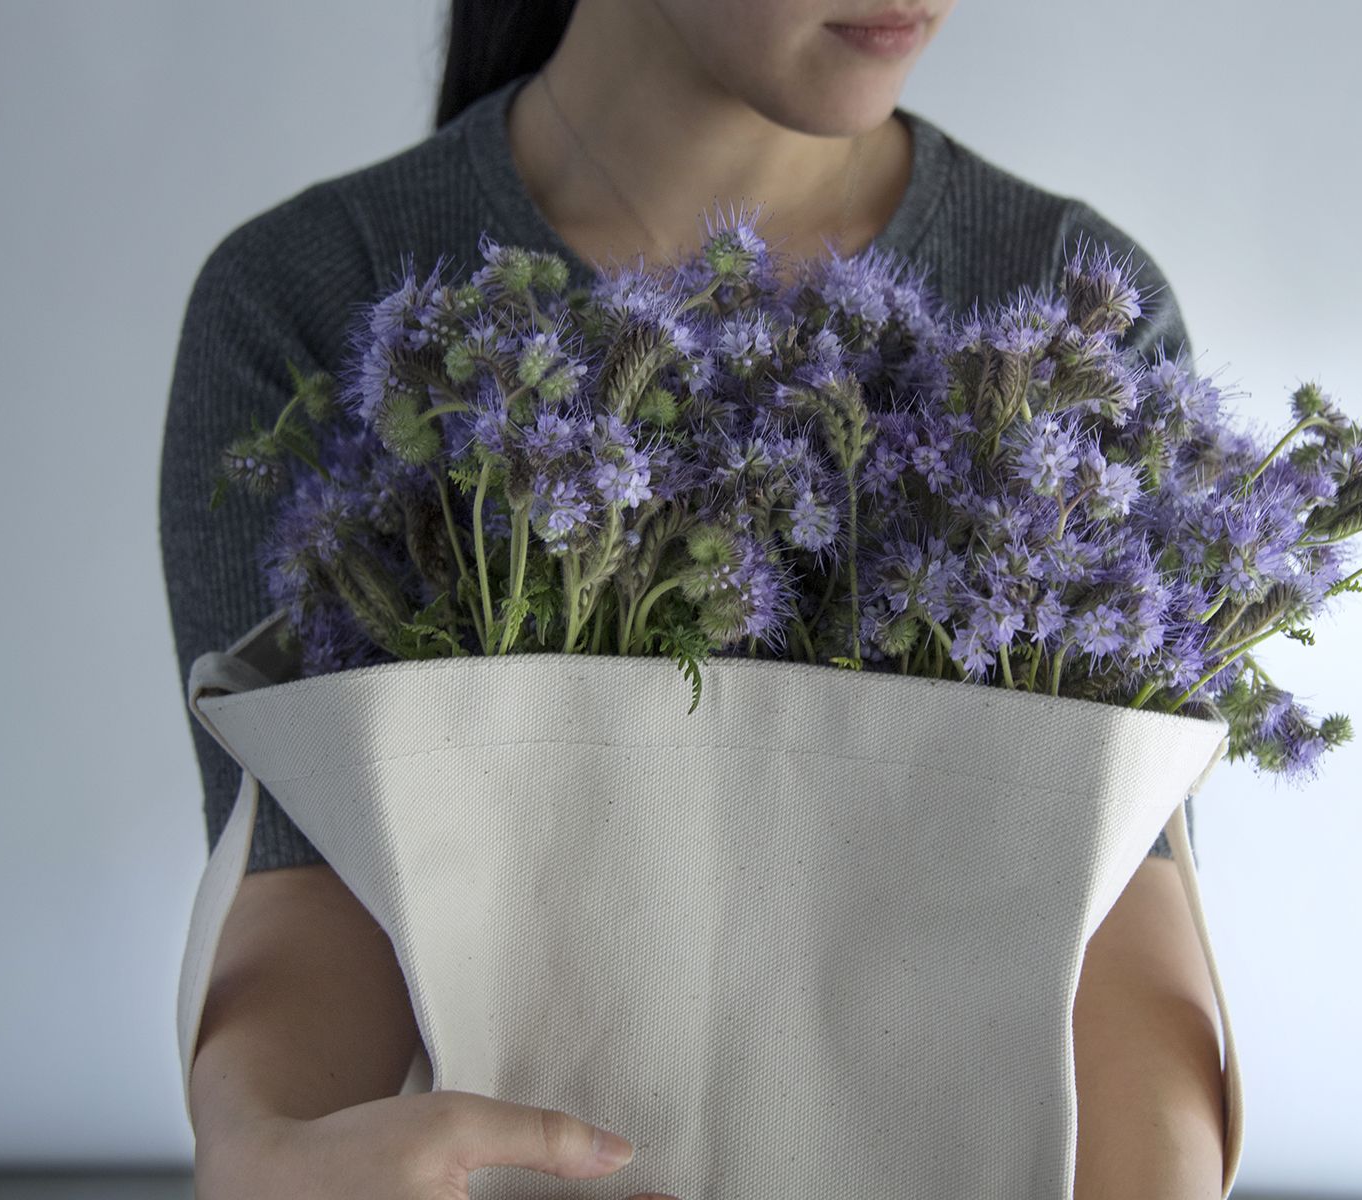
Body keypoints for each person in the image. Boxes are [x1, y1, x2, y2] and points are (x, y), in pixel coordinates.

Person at [162, 3, 1217, 1197]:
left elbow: (1120, 930)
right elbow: (308, 903)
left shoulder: (1068, 316)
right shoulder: (318, 302)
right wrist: (260, 1146)